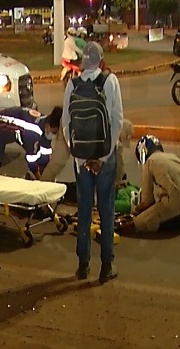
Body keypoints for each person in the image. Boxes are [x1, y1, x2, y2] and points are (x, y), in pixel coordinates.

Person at [62, 42, 123, 283]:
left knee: (84, 210)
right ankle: (106, 266)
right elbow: (117, 120)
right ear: (101, 60)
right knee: (106, 209)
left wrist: (82, 157)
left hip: (81, 159)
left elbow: (67, 125)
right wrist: (102, 158)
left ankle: (82, 265)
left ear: (83, 61)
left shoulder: (72, 84)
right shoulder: (110, 81)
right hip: (104, 158)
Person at [0, 106, 62, 179]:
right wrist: (40, 180)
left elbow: (46, 150)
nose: (53, 136)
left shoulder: (46, 121)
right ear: (48, 126)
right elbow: (31, 161)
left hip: (18, 123)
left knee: (43, 159)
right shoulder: (33, 133)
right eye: (54, 133)